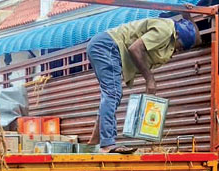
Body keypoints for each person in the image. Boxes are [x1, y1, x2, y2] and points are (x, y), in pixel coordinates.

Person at [86, 16, 200, 153]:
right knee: (112, 94)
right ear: (178, 37)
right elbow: (135, 49)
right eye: (180, 47)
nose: (177, 51)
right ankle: (107, 144)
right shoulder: (165, 30)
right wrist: (149, 78)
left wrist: (189, 18)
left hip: (104, 46)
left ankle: (94, 142)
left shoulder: (170, 30)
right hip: (108, 46)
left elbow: (198, 40)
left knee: (111, 94)